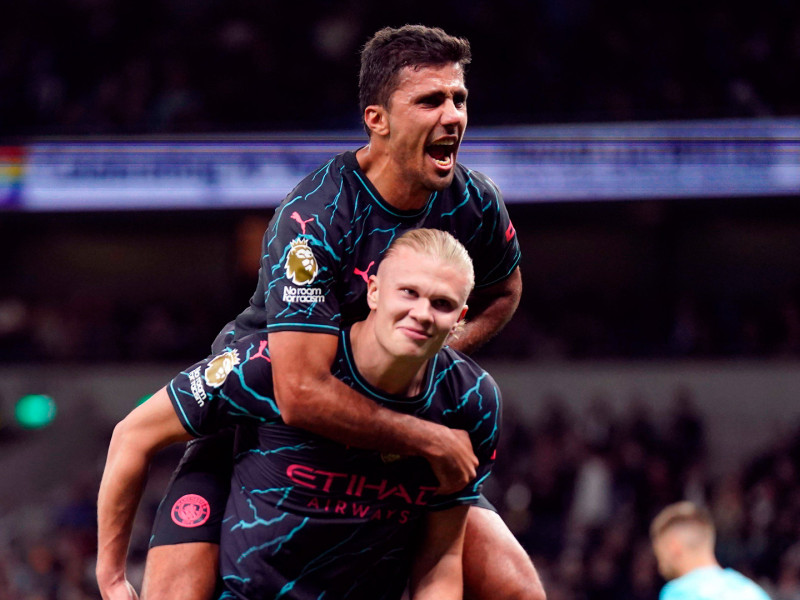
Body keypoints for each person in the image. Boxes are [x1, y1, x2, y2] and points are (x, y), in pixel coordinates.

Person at [125, 24, 542, 600]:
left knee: (519, 589)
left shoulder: (473, 201)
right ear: (378, 119)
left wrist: (437, 349)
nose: (453, 115)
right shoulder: (316, 216)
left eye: (459, 98)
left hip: (385, 427)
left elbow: (505, 291)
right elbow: (298, 392)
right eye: (430, 100)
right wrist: (428, 437)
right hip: (263, 422)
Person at [98, 229, 500, 599]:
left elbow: (440, 559)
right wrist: (112, 577)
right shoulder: (269, 363)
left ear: (460, 320)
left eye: (442, 304)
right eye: (408, 292)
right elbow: (133, 434)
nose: (423, 313)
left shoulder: (471, 402)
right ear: (374, 292)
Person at [650, 501, 770, 600]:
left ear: (674, 547)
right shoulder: (751, 592)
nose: (660, 565)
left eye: (660, 554)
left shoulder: (679, 593)